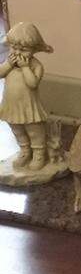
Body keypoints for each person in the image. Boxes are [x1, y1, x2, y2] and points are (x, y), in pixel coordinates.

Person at [0, 22, 53, 171]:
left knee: (34, 130)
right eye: (14, 47)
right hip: (11, 105)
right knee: (17, 129)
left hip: (29, 106)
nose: (17, 52)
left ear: (34, 50)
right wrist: (9, 65)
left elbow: (32, 83)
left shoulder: (36, 66)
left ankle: (39, 153)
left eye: (23, 50)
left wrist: (24, 68)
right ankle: (25, 151)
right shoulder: (9, 63)